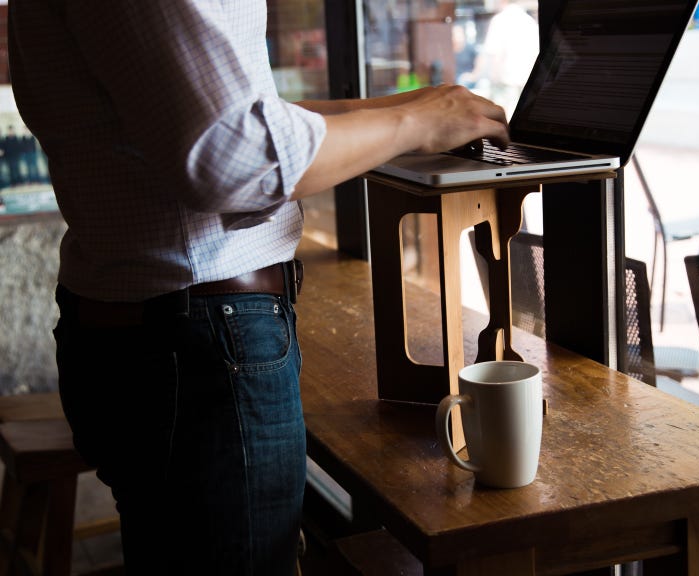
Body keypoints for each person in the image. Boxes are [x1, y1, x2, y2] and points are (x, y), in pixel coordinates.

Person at [7, 2, 509, 575]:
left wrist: (403, 108)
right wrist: (413, 125)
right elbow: (234, 156)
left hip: (141, 330)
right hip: (197, 346)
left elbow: (231, 116)